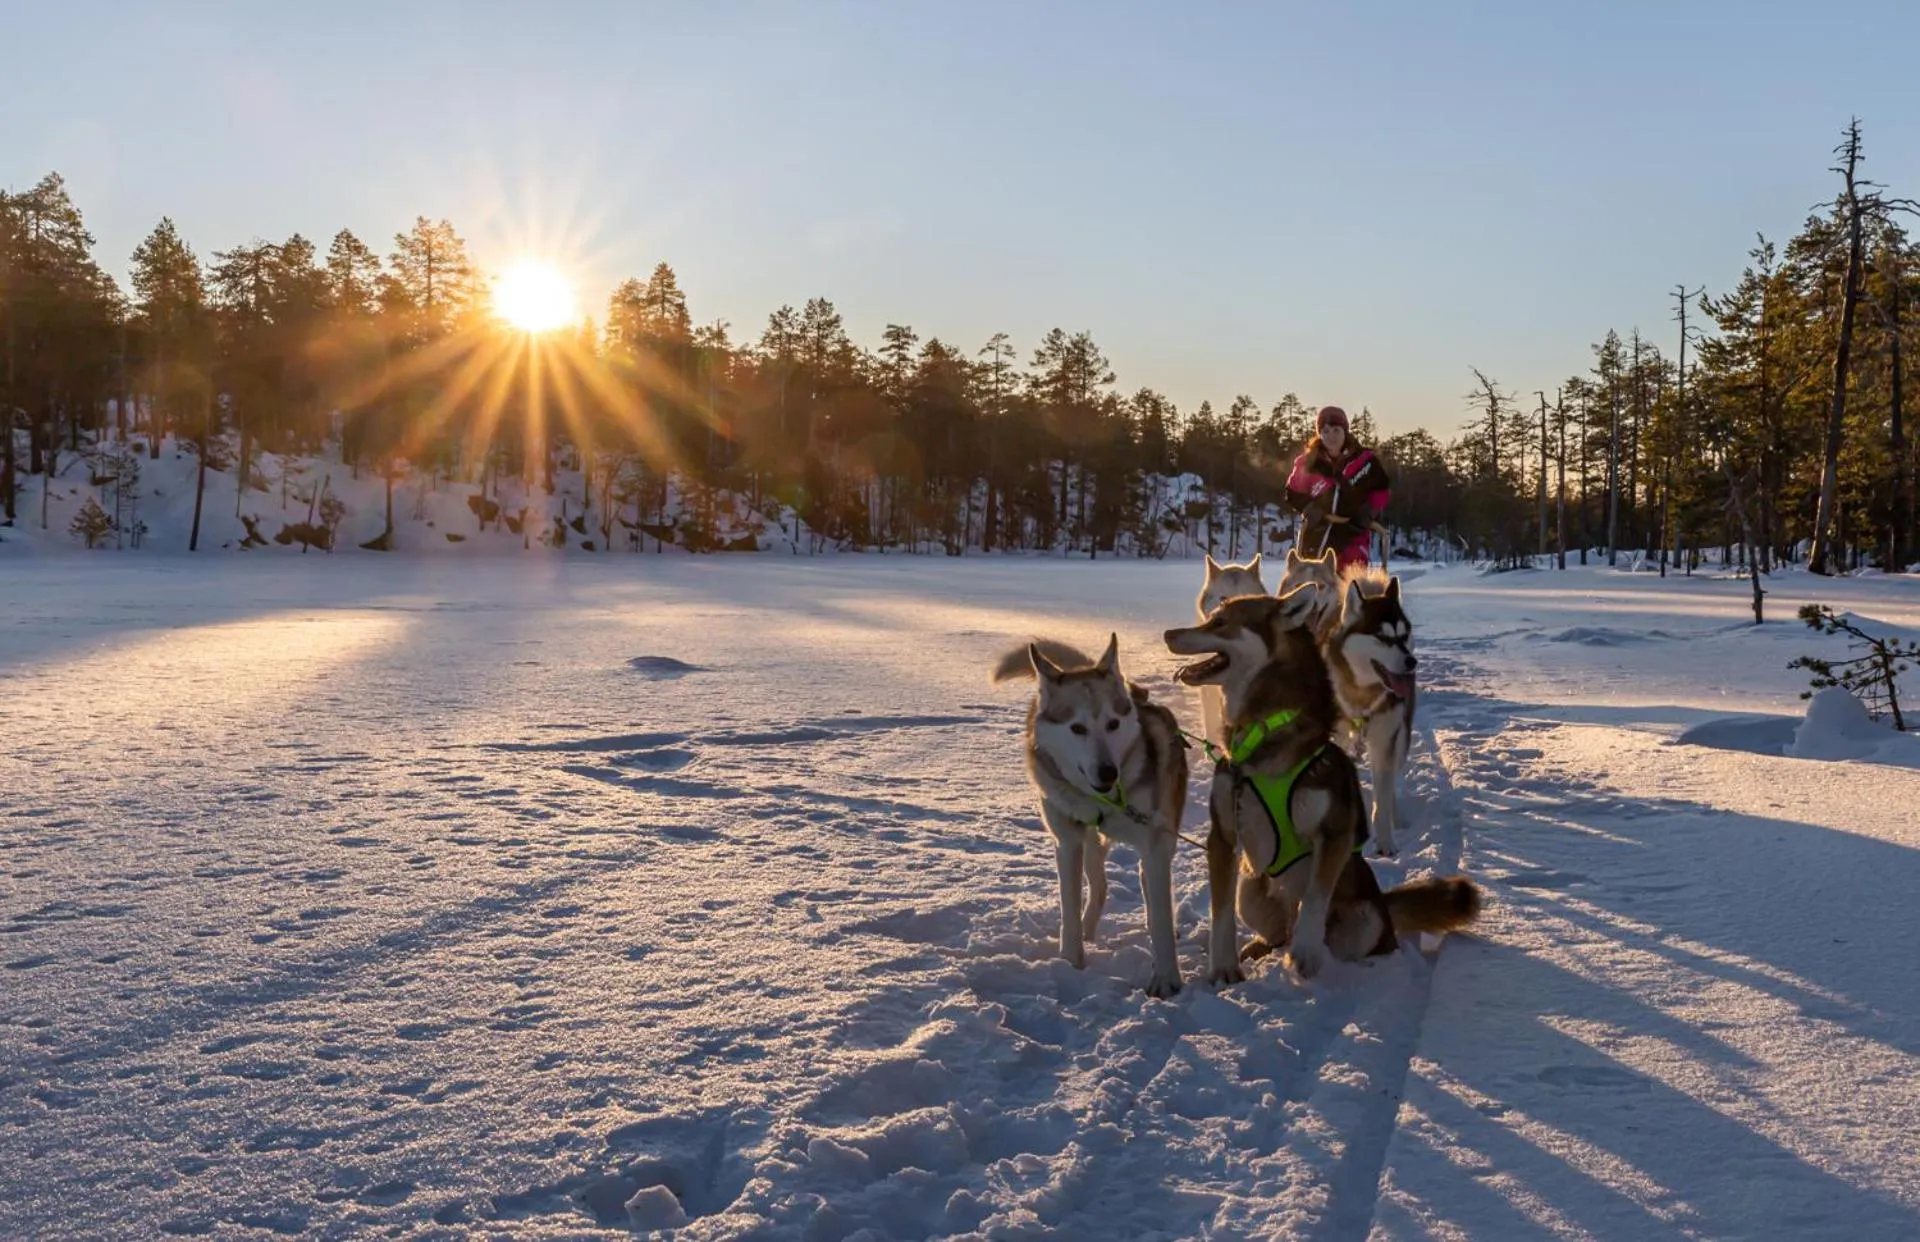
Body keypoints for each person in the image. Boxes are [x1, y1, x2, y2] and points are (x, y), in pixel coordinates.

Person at [1285, 405, 1391, 570]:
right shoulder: (1308, 463)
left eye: (1336, 430)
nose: (1331, 436)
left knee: (1350, 584)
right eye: (1325, 431)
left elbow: (1382, 489)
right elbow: (1293, 492)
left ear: (1345, 431)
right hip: (1318, 532)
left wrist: (1369, 511)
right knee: (1314, 584)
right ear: (1319, 434)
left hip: (1353, 531)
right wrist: (1309, 508)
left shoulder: (1365, 461)